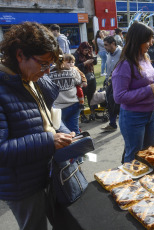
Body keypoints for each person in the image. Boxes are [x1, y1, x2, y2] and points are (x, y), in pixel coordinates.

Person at [0, 22, 75, 230]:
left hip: (45, 172)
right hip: (21, 185)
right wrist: (50, 140)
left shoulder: (30, 78)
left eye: (50, 64)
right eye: (43, 64)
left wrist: (65, 134)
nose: (47, 71)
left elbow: (45, 120)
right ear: (20, 55)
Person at [112, 22, 154, 163]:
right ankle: (130, 183)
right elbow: (119, 97)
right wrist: (148, 90)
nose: (151, 43)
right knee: (134, 157)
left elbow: (149, 81)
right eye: (148, 39)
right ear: (138, 40)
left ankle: (146, 182)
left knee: (150, 153)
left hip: (151, 114)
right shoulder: (125, 65)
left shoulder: (145, 58)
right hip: (133, 117)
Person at [48, 51, 82, 134]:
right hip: (73, 103)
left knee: (64, 133)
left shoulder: (48, 73)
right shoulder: (73, 71)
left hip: (58, 106)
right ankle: (79, 146)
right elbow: (79, 82)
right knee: (75, 131)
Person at [102, 36, 122, 132]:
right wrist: (106, 80)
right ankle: (112, 124)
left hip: (120, 83)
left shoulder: (122, 53)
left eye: (106, 45)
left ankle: (123, 123)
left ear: (113, 44)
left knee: (118, 104)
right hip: (110, 82)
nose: (104, 47)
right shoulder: (109, 54)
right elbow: (109, 68)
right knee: (110, 103)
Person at [73, 42, 98, 122]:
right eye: (85, 50)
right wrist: (84, 63)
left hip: (91, 77)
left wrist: (93, 56)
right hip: (81, 78)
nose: (86, 52)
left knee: (92, 96)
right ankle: (82, 115)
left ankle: (93, 113)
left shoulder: (88, 55)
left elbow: (95, 63)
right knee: (82, 97)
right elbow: (74, 67)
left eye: (88, 50)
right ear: (81, 48)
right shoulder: (76, 55)